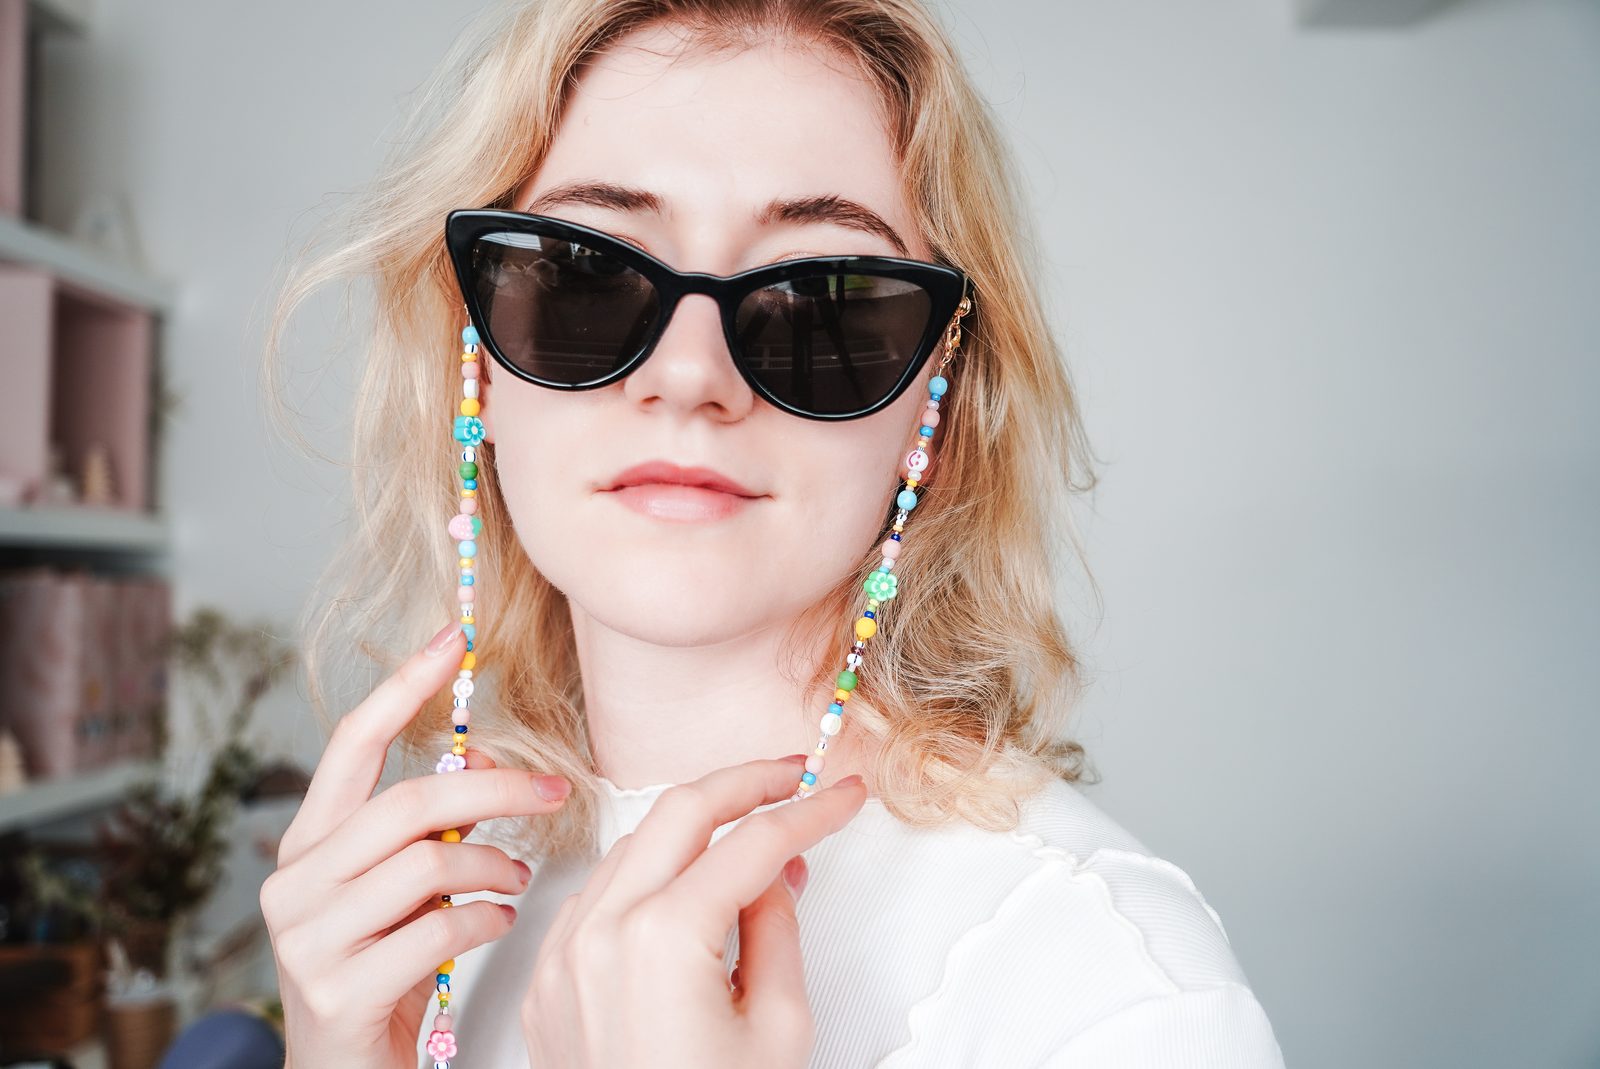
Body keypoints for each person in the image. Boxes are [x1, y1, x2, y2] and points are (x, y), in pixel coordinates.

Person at [257, 0, 1288, 1066]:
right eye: (586, 274)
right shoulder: (422, 922)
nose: (689, 376)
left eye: (820, 302)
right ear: (471, 348)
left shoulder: (1109, 996)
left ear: (939, 401)